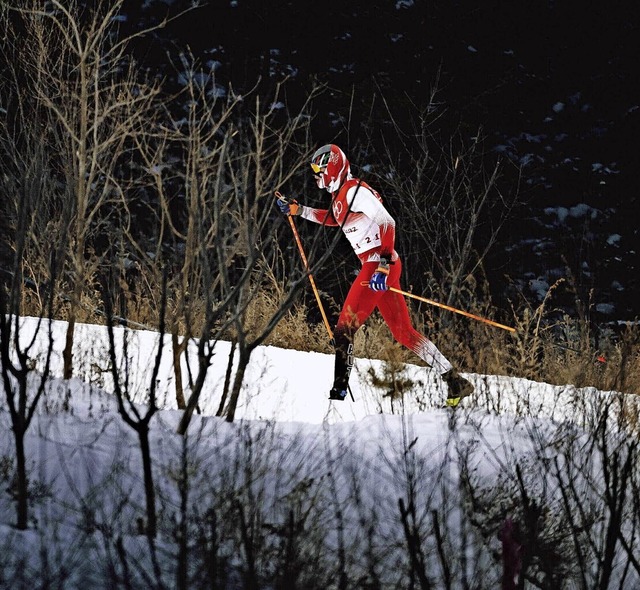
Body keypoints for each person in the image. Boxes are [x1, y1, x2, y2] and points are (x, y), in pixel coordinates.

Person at [277, 144, 473, 406]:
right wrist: (300, 211)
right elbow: (336, 219)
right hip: (379, 264)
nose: (315, 176)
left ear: (332, 168)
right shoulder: (340, 197)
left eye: (318, 170)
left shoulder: (354, 191)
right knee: (403, 332)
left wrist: (382, 263)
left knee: (344, 328)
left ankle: (338, 395)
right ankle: (454, 381)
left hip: (378, 263)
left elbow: (387, 221)